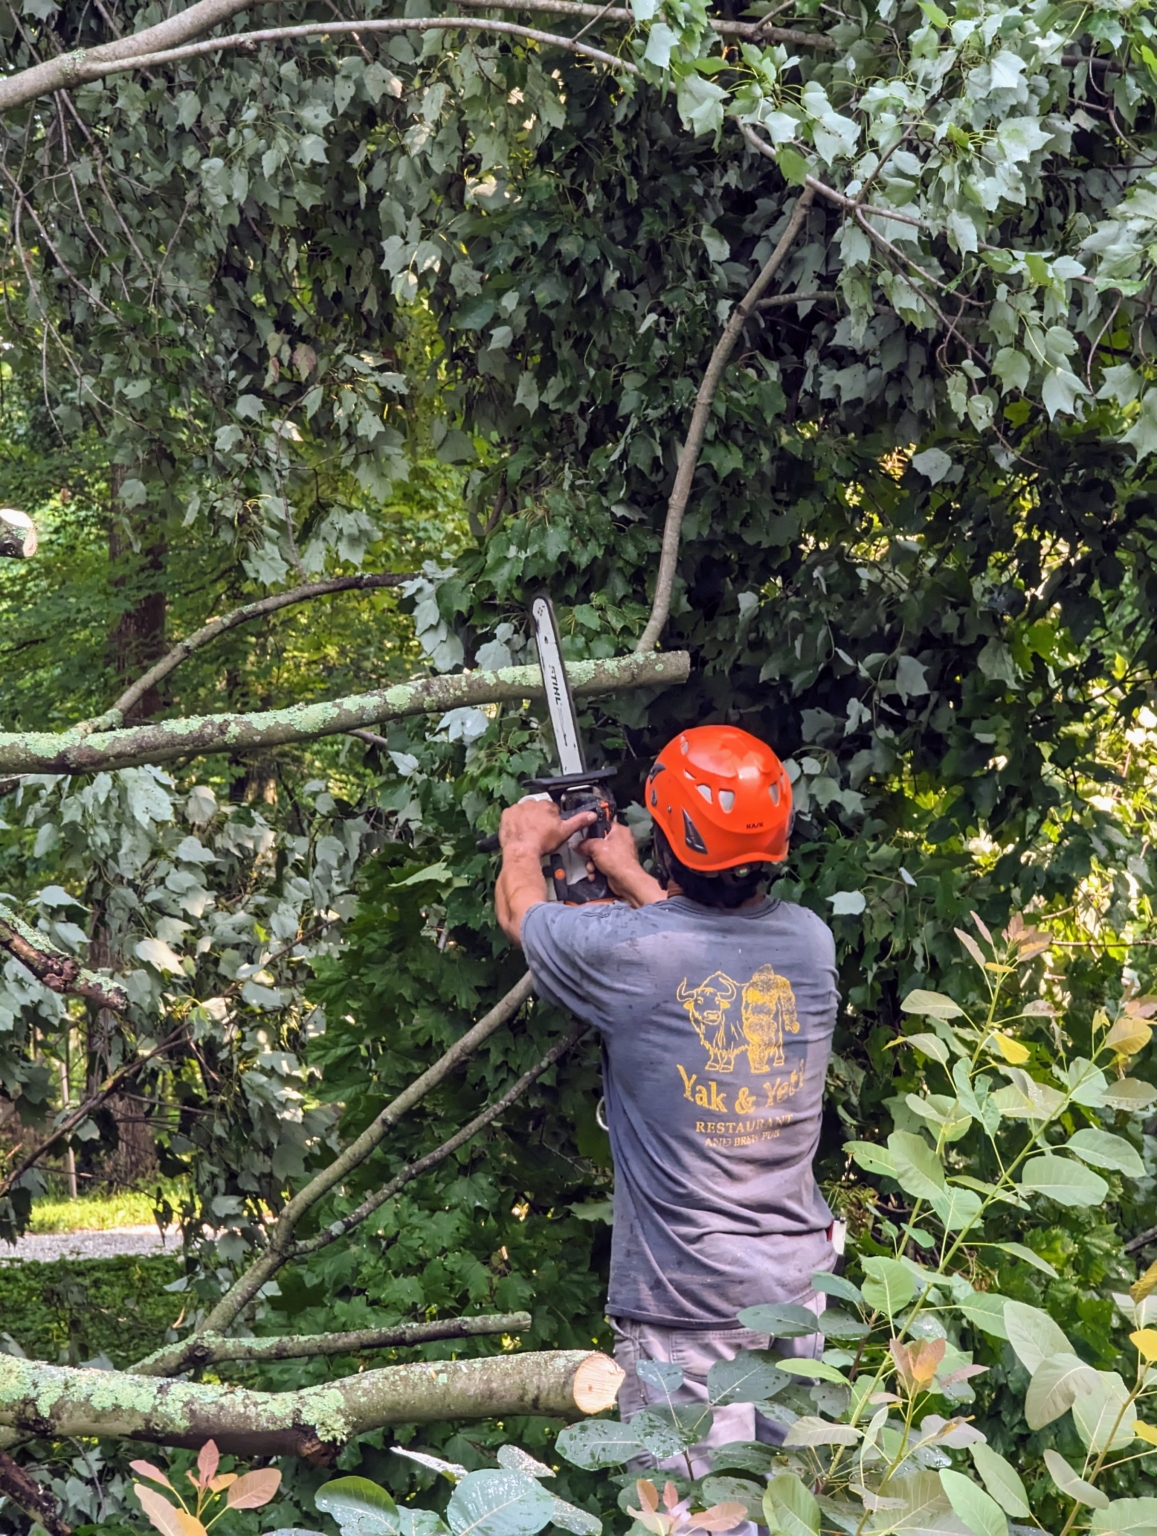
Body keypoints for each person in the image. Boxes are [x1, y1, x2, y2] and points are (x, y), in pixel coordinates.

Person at [495, 725, 840, 1472]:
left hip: (689, 1300)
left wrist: (522, 843)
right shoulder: (809, 943)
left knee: (690, 1518)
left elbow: (524, 917)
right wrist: (626, 875)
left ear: (672, 839)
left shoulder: (630, 952)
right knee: (793, 1509)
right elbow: (695, 946)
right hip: (798, 1285)